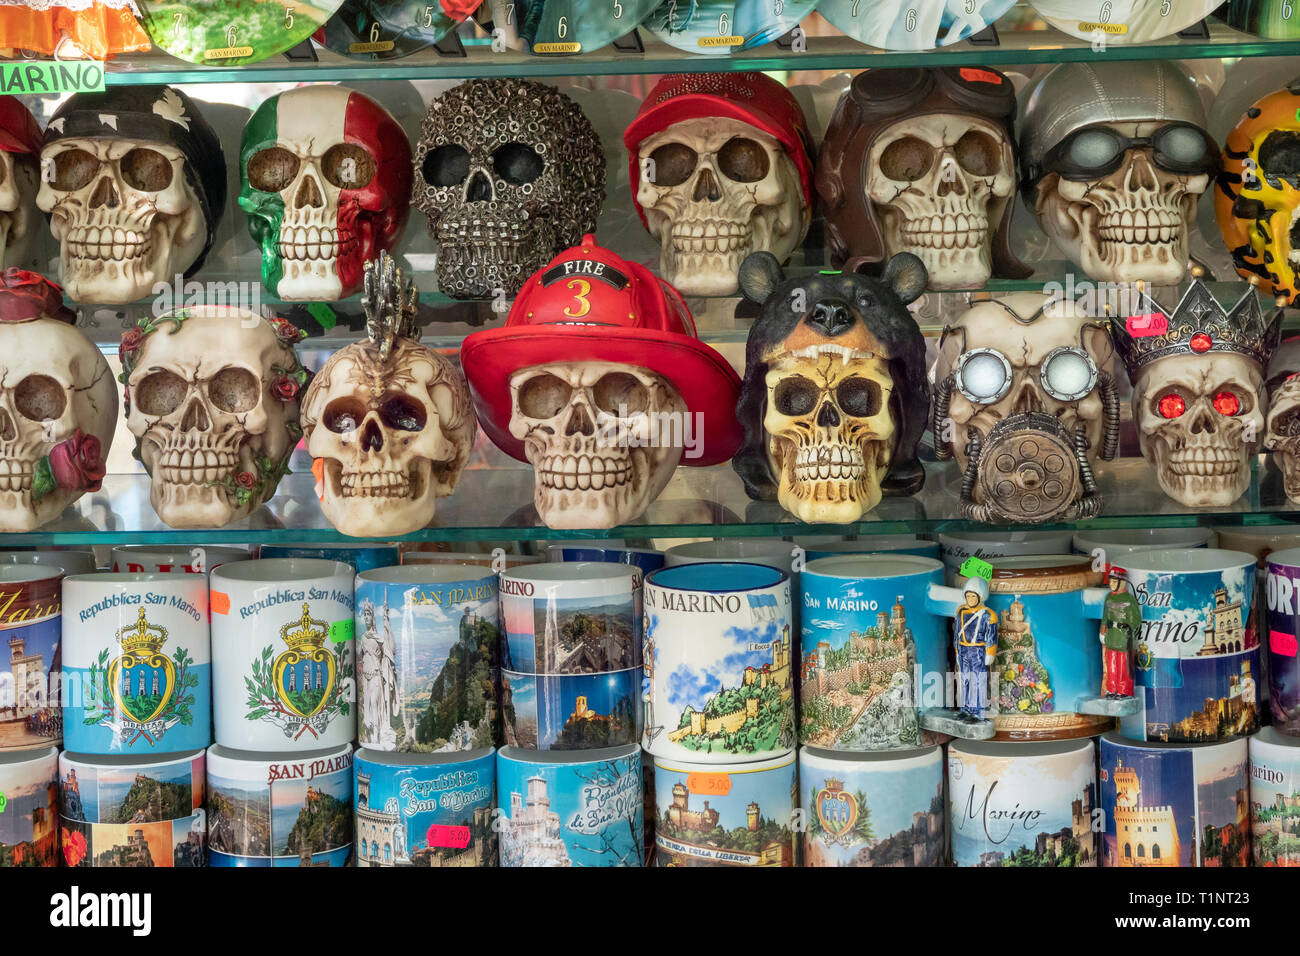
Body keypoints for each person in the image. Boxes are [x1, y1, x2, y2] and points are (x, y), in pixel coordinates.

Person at [954, 576, 998, 721]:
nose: (971, 599)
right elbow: (956, 633)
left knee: (979, 681)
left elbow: (991, 636)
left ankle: (978, 712)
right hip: (963, 650)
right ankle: (966, 709)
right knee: (965, 679)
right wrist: (956, 651)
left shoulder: (989, 615)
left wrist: (990, 653)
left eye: (973, 596)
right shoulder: (960, 611)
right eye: (968, 596)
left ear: (981, 596)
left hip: (978, 651)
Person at [1100, 566, 1140, 699]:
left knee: (1123, 665)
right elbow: (1105, 616)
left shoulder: (1129, 600)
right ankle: (1111, 689)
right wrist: (1103, 629)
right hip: (1111, 636)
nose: (1111, 584)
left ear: (1121, 582)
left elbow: (1136, 620)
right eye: (1110, 581)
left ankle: (1123, 690)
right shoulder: (1108, 598)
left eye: (1114, 581)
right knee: (1111, 664)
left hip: (1123, 638)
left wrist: (1127, 628)